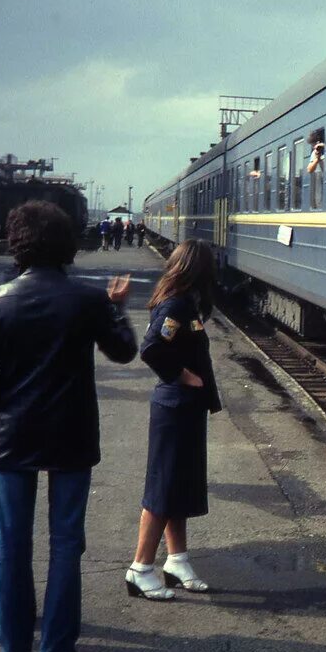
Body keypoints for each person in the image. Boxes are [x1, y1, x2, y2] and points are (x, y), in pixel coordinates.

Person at [0, 200, 137, 652]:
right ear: (65, 242)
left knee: (11, 542)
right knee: (65, 543)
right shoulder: (87, 301)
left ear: (17, 242)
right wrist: (118, 310)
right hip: (71, 434)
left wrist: (11, 404)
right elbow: (123, 352)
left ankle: (14, 649)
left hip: (14, 437)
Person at [125, 240, 222, 601]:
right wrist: (183, 375)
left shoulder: (187, 303)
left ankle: (176, 560)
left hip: (185, 408)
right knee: (163, 489)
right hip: (175, 407)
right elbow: (150, 348)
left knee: (178, 487)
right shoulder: (176, 305)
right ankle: (140, 568)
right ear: (198, 269)